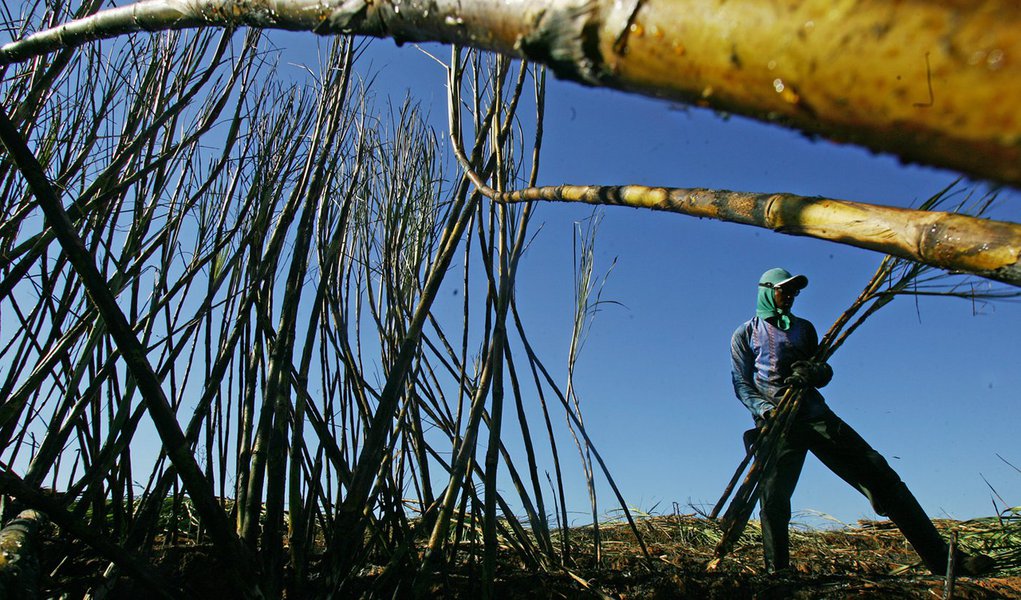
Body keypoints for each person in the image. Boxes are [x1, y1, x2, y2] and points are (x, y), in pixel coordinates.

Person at [730, 267, 993, 577]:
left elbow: (823, 371)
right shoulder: (745, 334)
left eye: (794, 292)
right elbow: (740, 382)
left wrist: (816, 373)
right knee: (773, 499)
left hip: (817, 417)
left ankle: (944, 560)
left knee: (879, 474)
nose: (789, 297)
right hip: (777, 425)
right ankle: (778, 573)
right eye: (783, 290)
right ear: (766, 291)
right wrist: (765, 410)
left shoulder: (804, 329)